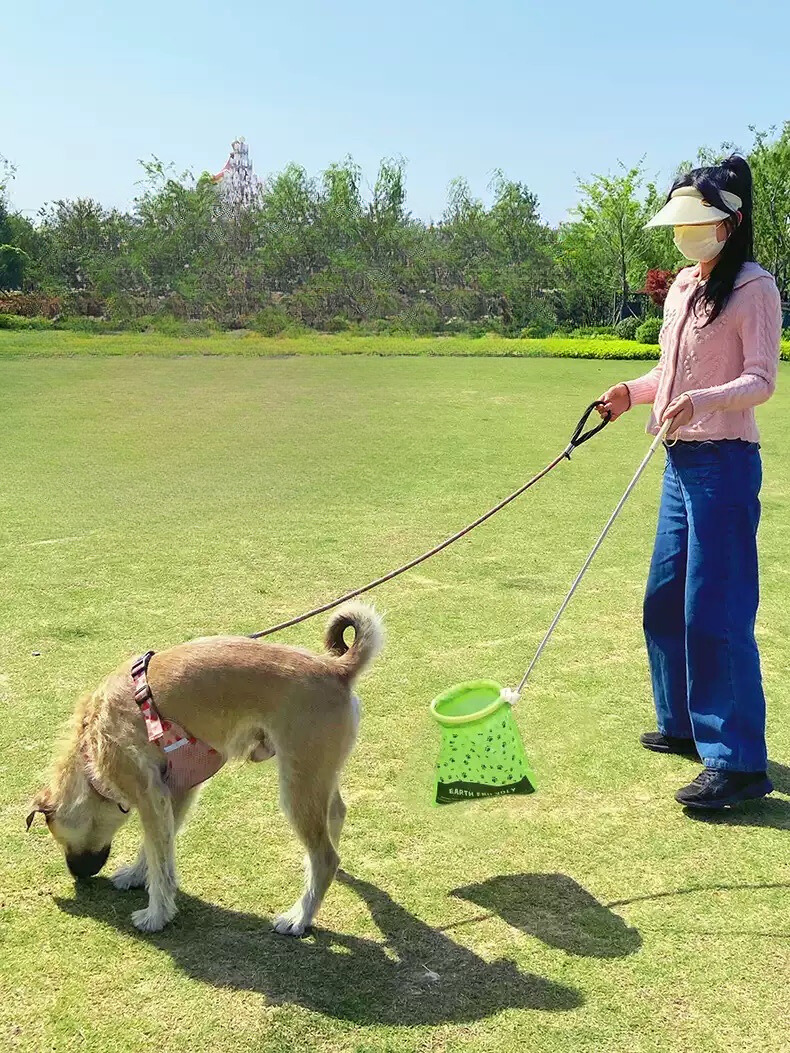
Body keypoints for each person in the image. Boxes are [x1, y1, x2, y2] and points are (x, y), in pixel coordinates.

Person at [598, 155, 782, 809]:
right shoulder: (682, 286)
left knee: (717, 613)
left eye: (698, 222)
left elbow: (762, 380)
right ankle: (684, 726)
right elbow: (667, 375)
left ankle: (736, 763)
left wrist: (703, 401)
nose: (685, 233)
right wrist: (628, 392)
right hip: (678, 463)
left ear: (730, 222)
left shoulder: (754, 288)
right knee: (663, 600)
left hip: (725, 462)